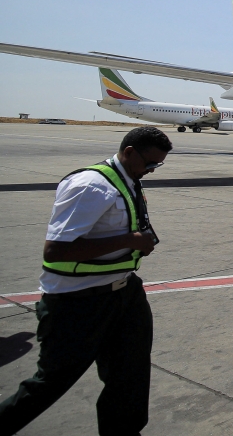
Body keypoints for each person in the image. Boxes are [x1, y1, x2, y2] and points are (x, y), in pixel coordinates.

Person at [0, 127, 172, 436]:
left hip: (124, 293)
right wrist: (131, 240)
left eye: (157, 165)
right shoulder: (91, 186)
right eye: (149, 163)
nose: (151, 170)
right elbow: (56, 250)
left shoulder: (128, 180)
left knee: (129, 376)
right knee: (51, 383)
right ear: (129, 152)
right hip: (78, 302)